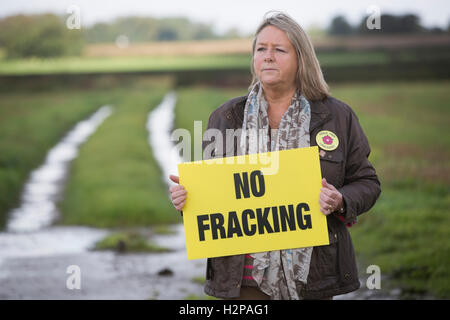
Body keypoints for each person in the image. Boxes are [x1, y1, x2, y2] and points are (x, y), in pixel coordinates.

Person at [169, 11, 381, 300]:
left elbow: (367, 182)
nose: (268, 57)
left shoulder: (337, 116)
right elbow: (216, 200)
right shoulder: (225, 117)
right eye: (261, 49)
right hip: (244, 283)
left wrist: (341, 200)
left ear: (300, 59)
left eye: (279, 50)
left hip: (312, 280)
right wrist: (187, 200)